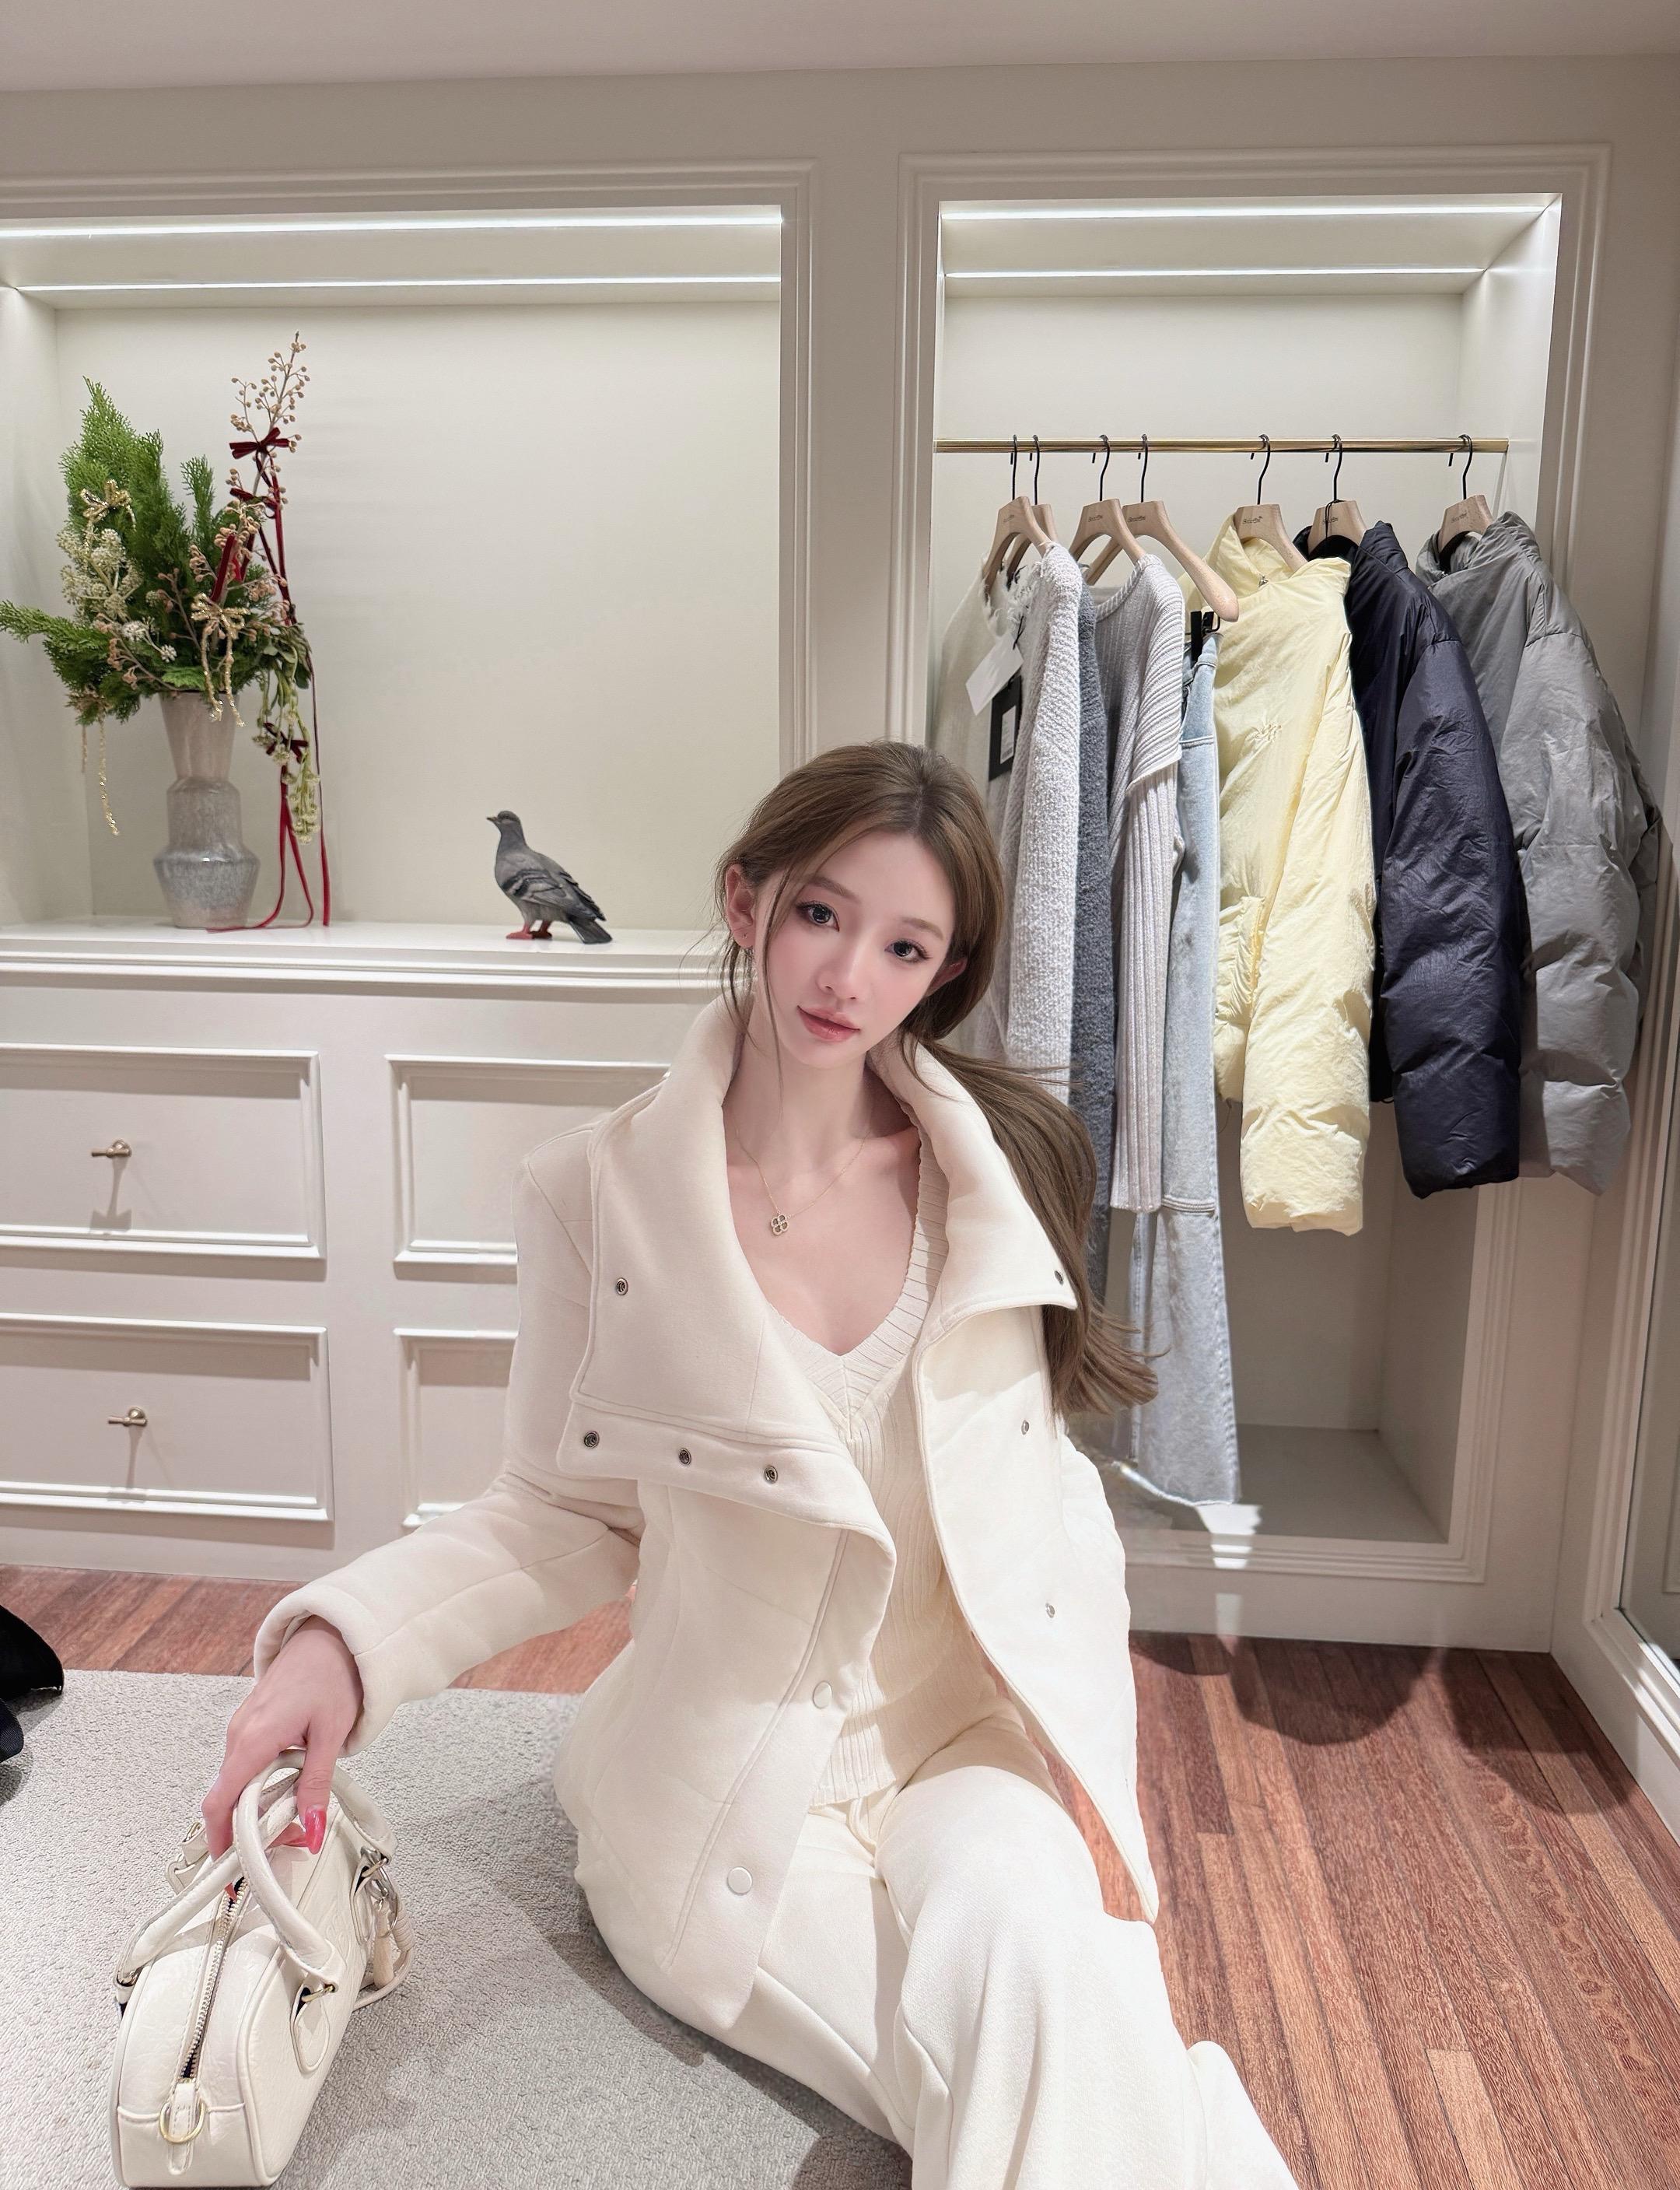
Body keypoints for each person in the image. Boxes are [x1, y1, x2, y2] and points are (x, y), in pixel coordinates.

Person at [205, 739, 1300, 2187]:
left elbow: (1034, 1467)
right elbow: (556, 1510)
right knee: (1039, 2064)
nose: (847, 975)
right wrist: (348, 1642)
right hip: (718, 1782)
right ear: (746, 902)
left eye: (904, 945)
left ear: (946, 971)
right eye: (820, 914)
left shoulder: (1006, 1167)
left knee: (1053, 1965)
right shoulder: (597, 1196)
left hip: (955, 1743)